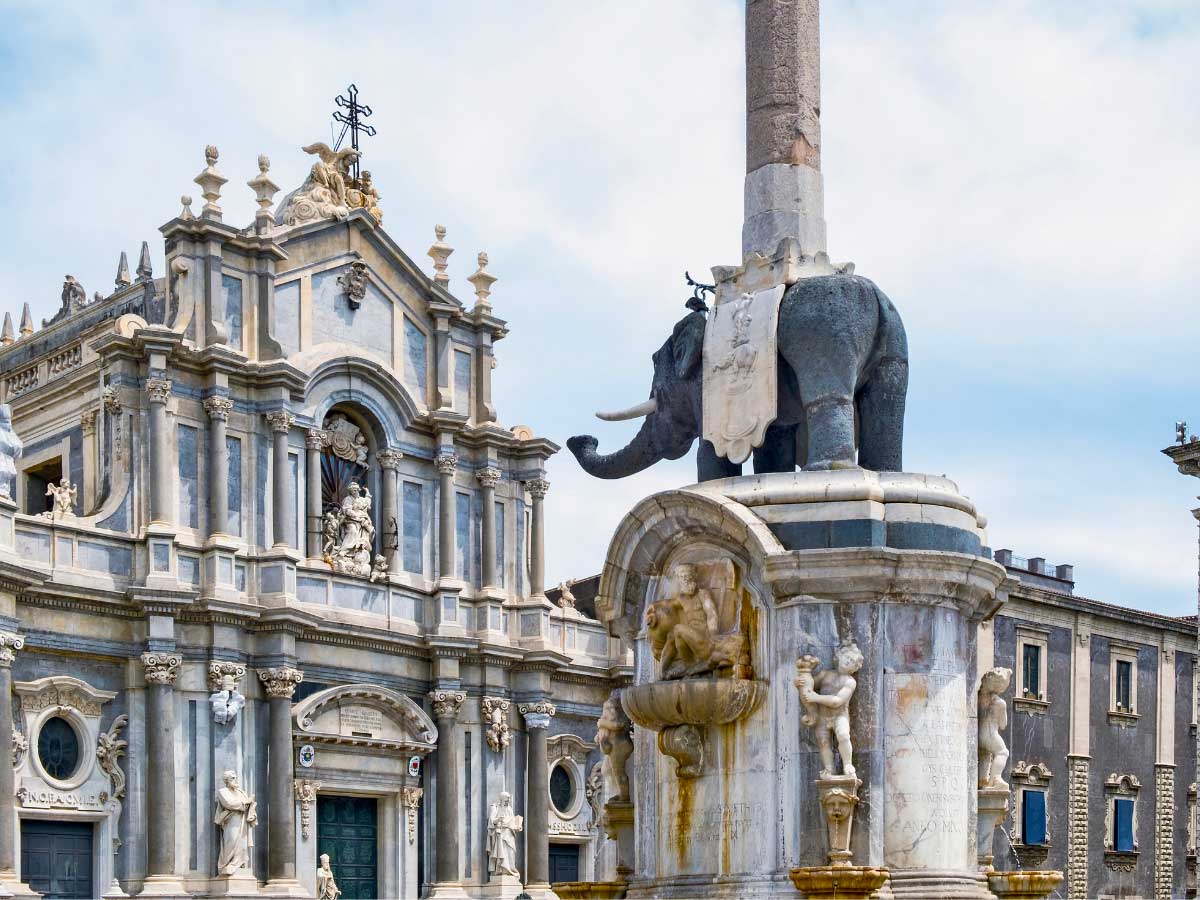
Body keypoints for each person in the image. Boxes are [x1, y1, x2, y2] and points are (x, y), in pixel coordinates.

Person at [795, 641, 865, 779]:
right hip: (822, 716)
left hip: (840, 716)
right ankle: (829, 768)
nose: (847, 662)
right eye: (846, 657)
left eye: (852, 661)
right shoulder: (826, 674)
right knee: (823, 742)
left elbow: (837, 701)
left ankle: (847, 764)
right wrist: (800, 683)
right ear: (839, 656)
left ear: (854, 667)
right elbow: (811, 684)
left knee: (843, 735)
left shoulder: (850, 682)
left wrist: (816, 698)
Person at [213, 770, 257, 875]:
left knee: (242, 844)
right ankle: (226, 864)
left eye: (236, 777)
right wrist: (246, 802)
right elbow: (230, 804)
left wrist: (250, 805)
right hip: (231, 821)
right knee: (231, 841)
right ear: (226, 780)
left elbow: (246, 806)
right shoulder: (223, 791)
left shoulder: (241, 792)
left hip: (242, 820)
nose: (235, 779)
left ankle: (238, 864)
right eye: (233, 778)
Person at [486, 791, 523, 878]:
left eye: (509, 799)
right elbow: (491, 821)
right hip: (501, 834)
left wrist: (517, 827)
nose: (508, 801)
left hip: (510, 834)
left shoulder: (509, 809)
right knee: (502, 853)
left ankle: (510, 870)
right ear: (502, 799)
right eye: (506, 799)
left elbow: (513, 822)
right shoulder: (495, 807)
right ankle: (501, 871)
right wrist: (498, 819)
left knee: (511, 853)